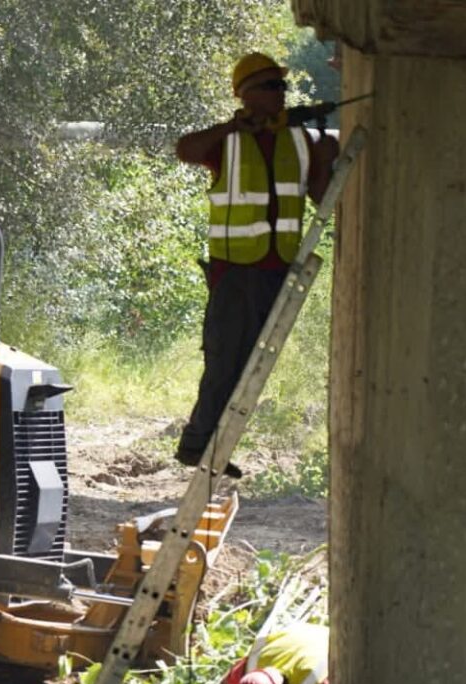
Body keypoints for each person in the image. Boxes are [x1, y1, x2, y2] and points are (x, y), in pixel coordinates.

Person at [172, 53, 340, 477]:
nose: (280, 95)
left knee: (250, 365)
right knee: (224, 359)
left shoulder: (300, 141)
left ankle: (217, 446)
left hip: (277, 268)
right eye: (271, 87)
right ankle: (196, 444)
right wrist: (234, 126)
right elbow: (184, 149)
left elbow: (320, 196)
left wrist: (326, 156)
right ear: (245, 94)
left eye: (282, 87)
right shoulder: (227, 141)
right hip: (236, 269)